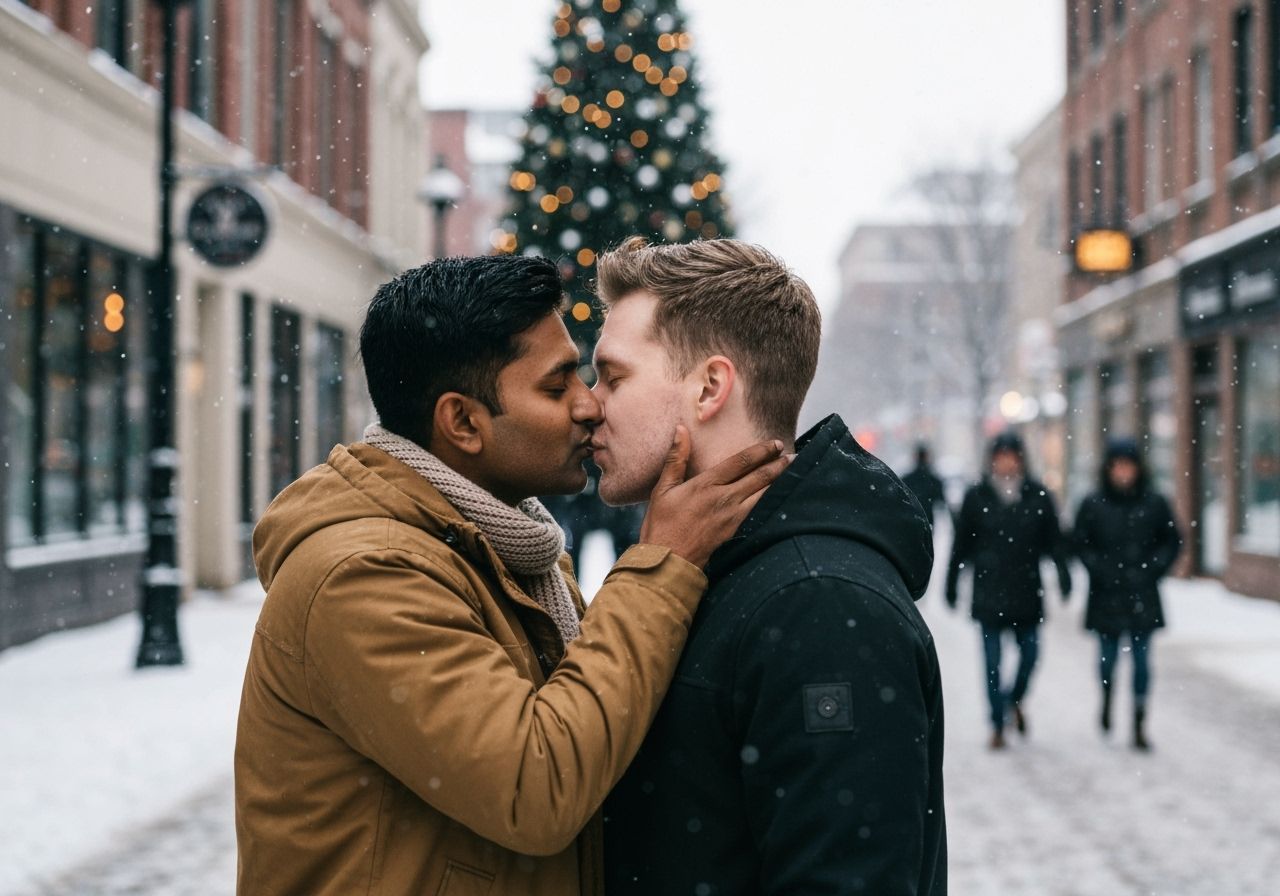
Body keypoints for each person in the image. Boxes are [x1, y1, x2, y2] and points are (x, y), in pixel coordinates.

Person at [234, 255, 790, 896]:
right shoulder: (363, 576)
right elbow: (538, 785)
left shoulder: (504, 550)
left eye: (585, 376)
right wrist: (660, 566)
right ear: (462, 422)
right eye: (557, 389)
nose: (589, 406)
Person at [592, 238, 946, 895]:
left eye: (612, 377)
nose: (590, 405)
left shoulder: (821, 605)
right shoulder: (707, 567)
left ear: (709, 388)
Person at [946, 431, 1072, 749]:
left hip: (1026, 591)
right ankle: (996, 723)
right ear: (992, 459)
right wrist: (951, 583)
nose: (1005, 462)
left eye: (1011, 456)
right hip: (989, 591)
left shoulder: (1037, 495)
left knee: (1030, 656)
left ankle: (1013, 700)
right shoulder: (977, 497)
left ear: (1020, 459)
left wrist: (1063, 572)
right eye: (1000, 456)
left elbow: (1054, 541)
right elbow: (961, 546)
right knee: (991, 663)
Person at [1072, 437, 1182, 751]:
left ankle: (1138, 719)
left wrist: (1153, 568)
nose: (1123, 472)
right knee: (1107, 662)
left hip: (1142, 594)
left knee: (1142, 663)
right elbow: (1080, 542)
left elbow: (1172, 541)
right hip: (1106, 595)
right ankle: (1107, 699)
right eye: (1117, 466)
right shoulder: (1093, 503)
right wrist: (1098, 568)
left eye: (1128, 466)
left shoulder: (1154, 503)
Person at [902, 441, 950, 525]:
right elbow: (941, 500)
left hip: (911, 518)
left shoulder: (908, 479)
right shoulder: (932, 479)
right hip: (928, 518)